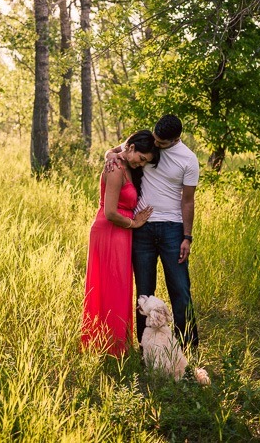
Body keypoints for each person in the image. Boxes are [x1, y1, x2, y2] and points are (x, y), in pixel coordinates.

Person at [105, 114, 200, 350]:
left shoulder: (188, 160)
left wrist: (187, 237)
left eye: (161, 143)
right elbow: (117, 151)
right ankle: (145, 347)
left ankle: (187, 347)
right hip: (142, 229)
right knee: (144, 292)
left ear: (175, 139)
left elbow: (188, 201)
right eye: (155, 139)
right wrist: (110, 155)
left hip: (172, 229)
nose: (156, 145)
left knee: (179, 288)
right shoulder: (147, 142)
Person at [82, 130, 159, 356]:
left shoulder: (121, 160)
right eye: (142, 159)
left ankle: (117, 343)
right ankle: (107, 345)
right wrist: (134, 224)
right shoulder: (115, 169)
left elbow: (119, 149)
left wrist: (110, 152)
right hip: (110, 230)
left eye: (146, 162)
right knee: (110, 286)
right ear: (132, 148)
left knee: (120, 287)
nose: (142, 164)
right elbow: (110, 212)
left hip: (121, 233)